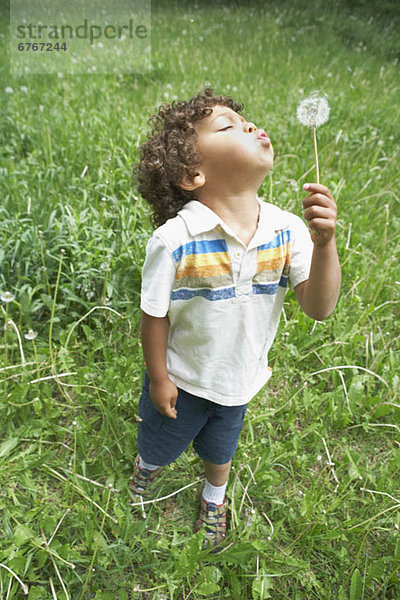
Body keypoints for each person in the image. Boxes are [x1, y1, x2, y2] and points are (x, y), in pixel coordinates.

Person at [130, 87, 341, 550]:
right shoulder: (174, 240)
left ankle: (214, 496)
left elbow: (319, 308)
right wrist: (158, 378)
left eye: (243, 120)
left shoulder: (287, 230)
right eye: (226, 126)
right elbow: (154, 316)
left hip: (239, 380)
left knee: (221, 451)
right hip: (182, 378)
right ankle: (145, 471)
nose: (247, 125)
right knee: (160, 442)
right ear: (193, 175)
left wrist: (325, 246)